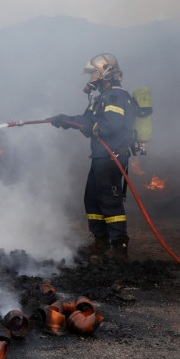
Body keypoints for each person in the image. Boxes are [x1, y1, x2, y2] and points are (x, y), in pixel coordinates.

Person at [49, 53, 138, 262]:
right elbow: (86, 120)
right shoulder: (101, 99)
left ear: (106, 73)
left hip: (112, 156)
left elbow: (112, 125)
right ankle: (100, 240)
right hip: (100, 157)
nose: (91, 78)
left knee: (109, 201)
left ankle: (119, 246)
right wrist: (65, 120)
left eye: (94, 73)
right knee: (92, 199)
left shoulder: (116, 96)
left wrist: (92, 126)